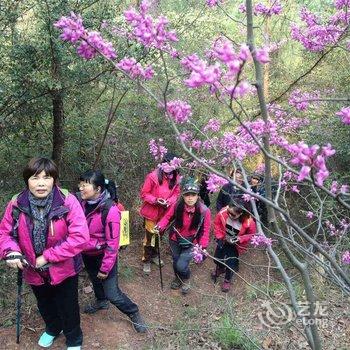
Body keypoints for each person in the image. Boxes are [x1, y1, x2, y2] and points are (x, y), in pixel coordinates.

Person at [0, 157, 89, 350]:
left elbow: (80, 237)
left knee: (68, 305)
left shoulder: (67, 200)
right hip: (32, 268)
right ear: (27, 180)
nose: (41, 183)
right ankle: (53, 328)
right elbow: (5, 233)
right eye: (35, 177)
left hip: (64, 266)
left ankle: (74, 339)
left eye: (47, 177)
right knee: (44, 302)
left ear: (54, 180)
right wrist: (11, 251)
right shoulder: (16, 204)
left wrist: (47, 256)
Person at [78, 170, 147, 333]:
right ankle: (101, 302)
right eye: (80, 185)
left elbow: (112, 244)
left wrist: (105, 268)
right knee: (95, 281)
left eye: (85, 185)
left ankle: (133, 312)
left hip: (104, 257)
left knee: (113, 294)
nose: (81, 188)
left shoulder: (111, 211)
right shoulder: (80, 204)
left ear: (98, 189)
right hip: (87, 254)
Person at [155, 178, 211, 295]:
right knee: (176, 262)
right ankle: (178, 279)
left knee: (181, 265)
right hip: (175, 239)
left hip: (192, 242)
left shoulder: (204, 211)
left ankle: (186, 279)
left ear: (197, 196)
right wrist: (159, 226)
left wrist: (203, 246)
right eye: (187, 195)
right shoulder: (177, 205)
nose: (190, 198)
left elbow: (206, 230)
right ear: (183, 196)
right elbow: (167, 218)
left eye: (193, 195)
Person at [140, 152, 181, 275]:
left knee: (159, 235)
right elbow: (144, 194)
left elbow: (176, 193)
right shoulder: (152, 176)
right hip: (152, 212)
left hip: (165, 213)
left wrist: (170, 201)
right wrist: (156, 200)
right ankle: (146, 259)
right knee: (149, 236)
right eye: (167, 164)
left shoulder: (177, 178)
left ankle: (154, 255)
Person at [211, 199, 256, 292]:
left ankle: (227, 279)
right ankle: (220, 268)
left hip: (235, 245)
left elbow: (251, 235)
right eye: (229, 212)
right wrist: (219, 236)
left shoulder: (249, 222)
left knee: (230, 263)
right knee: (217, 257)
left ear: (241, 213)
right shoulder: (224, 212)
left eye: (233, 215)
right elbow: (217, 224)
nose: (230, 215)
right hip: (223, 240)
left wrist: (240, 239)